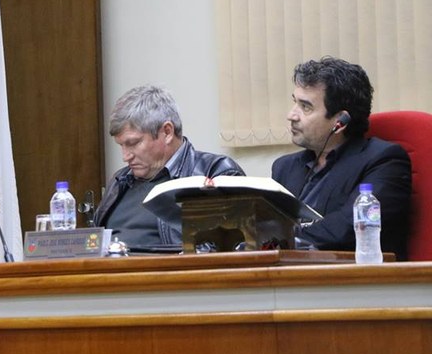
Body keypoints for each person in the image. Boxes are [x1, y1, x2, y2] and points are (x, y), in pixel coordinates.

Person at [272, 57, 411, 259]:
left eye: (306, 107)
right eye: (295, 102)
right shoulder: (284, 167)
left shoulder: (384, 161)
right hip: (286, 272)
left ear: (340, 121)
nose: (291, 115)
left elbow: (346, 227)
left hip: (354, 274)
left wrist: (278, 240)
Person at [93, 85, 245, 249]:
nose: (125, 156)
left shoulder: (217, 173)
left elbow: (226, 251)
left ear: (167, 132)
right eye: (121, 145)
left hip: (169, 266)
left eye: (133, 143)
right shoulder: (120, 181)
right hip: (108, 265)